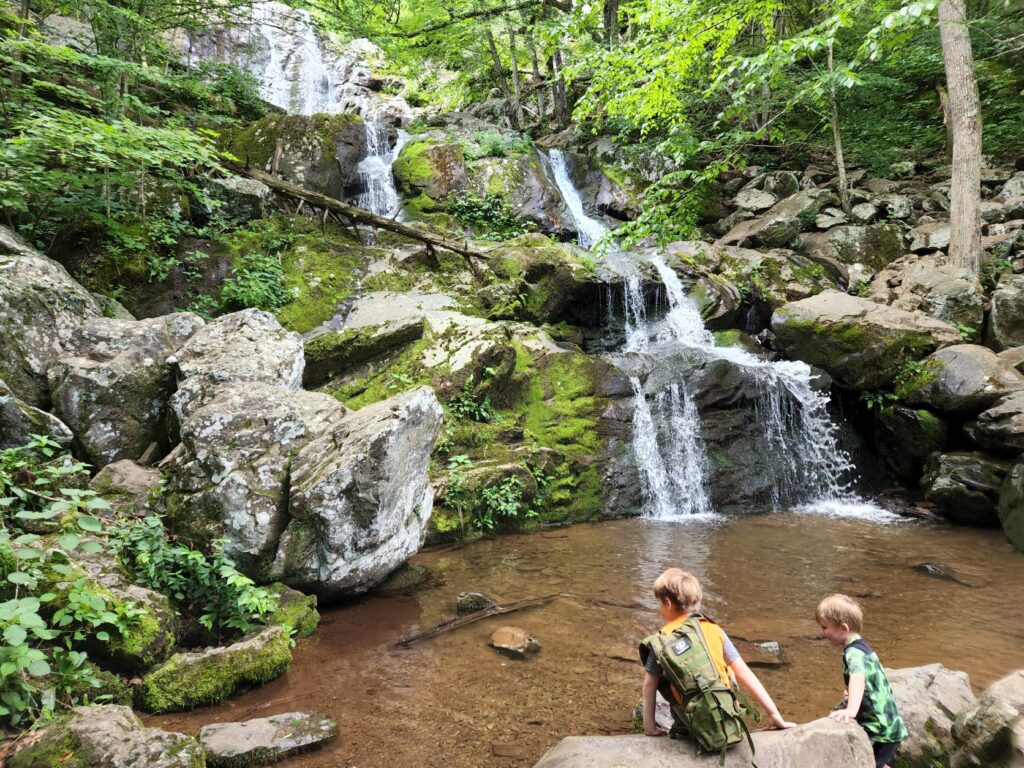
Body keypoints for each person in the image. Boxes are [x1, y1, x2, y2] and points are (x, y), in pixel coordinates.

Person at [640, 568, 795, 740]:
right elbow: (744, 673)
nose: (660, 608)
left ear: (668, 603)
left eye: (659, 603)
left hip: (689, 726)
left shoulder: (660, 641)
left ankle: (684, 730)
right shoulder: (714, 630)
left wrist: (650, 728)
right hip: (728, 715)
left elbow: (649, 686)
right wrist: (774, 714)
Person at [816, 593, 908, 768]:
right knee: (876, 763)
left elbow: (858, 677)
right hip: (888, 724)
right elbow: (871, 680)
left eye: (824, 627)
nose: (822, 632)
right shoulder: (863, 648)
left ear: (843, 628)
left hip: (881, 729)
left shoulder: (853, 653)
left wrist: (851, 709)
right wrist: (852, 693)